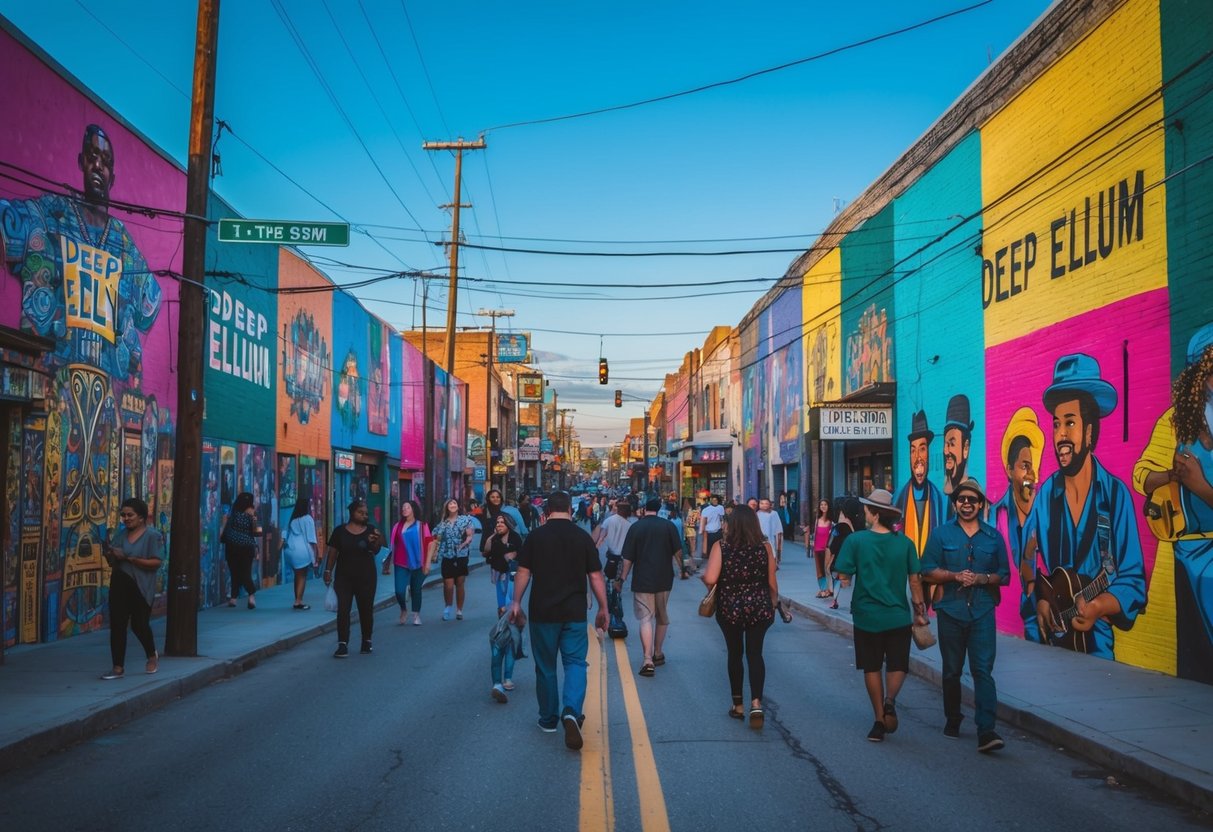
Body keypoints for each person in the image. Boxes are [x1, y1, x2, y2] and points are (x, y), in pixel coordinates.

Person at [1024, 353, 1146, 658]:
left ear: (1090, 431)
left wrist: (1098, 606)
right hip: (1049, 645)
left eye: (1070, 423)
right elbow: (1029, 559)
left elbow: (1132, 579)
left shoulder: (1115, 495)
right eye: (1056, 425)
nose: (1061, 435)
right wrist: (1040, 599)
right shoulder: (1045, 496)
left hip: (1097, 648)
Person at [1134, 324, 1213, 683]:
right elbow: (1140, 475)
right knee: (1197, 658)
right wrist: (1171, 475)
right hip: (1189, 554)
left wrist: (1199, 486)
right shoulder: (1175, 423)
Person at [510, 491, 609, 750]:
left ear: (546, 512)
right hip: (574, 613)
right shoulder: (582, 537)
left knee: (546, 667)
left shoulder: (536, 537)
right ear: (570, 510)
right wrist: (603, 607)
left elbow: (523, 572)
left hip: (542, 613)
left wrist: (516, 602)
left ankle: (548, 719)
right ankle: (571, 711)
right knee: (576, 663)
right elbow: (595, 576)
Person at [920, 478, 1010, 752]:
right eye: (962, 499)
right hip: (950, 610)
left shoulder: (993, 537)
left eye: (973, 499)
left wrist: (983, 579)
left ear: (980, 504)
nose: (967, 503)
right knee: (952, 670)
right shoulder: (941, 534)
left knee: (983, 670)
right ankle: (953, 718)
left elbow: (1004, 575)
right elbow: (926, 569)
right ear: (955, 504)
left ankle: (986, 730)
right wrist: (954, 576)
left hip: (983, 611)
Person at [833, 488, 928, 743]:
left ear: (874, 514)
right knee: (898, 664)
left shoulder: (856, 541)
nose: (864, 514)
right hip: (898, 615)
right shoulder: (906, 543)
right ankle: (890, 701)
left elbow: (843, 574)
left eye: (866, 510)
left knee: (872, 666)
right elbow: (915, 581)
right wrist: (920, 611)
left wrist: (847, 577)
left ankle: (878, 720)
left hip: (867, 616)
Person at [702, 504, 778, 728]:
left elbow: (710, 578)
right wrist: (774, 603)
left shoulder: (721, 546)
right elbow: (772, 582)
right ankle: (756, 703)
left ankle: (738, 705)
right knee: (755, 654)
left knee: (735, 654)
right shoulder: (765, 547)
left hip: (730, 608)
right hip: (759, 607)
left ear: (732, 524)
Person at [992, 407, 1044, 641]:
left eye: (1035, 466)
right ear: (1009, 470)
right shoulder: (995, 517)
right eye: (1025, 467)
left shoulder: (1046, 513)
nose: (1032, 475)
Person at [617, 499, 684, 676]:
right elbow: (678, 552)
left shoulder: (636, 528)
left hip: (642, 579)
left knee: (646, 618)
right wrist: (683, 570)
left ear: (644, 509)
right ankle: (658, 653)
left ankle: (647, 659)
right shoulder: (668, 526)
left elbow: (627, 558)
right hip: (664, 579)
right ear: (659, 509)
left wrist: (621, 578)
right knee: (662, 617)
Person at [100, 498, 163, 680]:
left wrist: (129, 557)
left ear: (141, 517)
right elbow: (113, 562)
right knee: (117, 625)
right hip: (120, 582)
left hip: (141, 586)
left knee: (139, 624)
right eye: (123, 515)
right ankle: (118, 667)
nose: (126, 518)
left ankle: (151, 654)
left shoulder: (152, 536)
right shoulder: (121, 536)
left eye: (130, 515)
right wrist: (110, 554)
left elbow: (156, 562)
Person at [323, 500, 383, 657]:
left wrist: (375, 541)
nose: (364, 516)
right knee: (343, 610)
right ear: (352, 513)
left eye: (366, 513)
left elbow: (376, 550)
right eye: (360, 513)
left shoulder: (371, 530)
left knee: (366, 609)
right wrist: (328, 570)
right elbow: (333, 552)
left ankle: (366, 641)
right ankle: (342, 644)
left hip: (366, 577)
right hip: (344, 577)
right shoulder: (339, 531)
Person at [892, 410, 946, 566]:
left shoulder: (941, 500)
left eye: (922, 449)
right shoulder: (898, 498)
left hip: (933, 572)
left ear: (929, 452)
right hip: (906, 571)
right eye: (913, 450)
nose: (917, 458)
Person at [483, 514, 524, 699]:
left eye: (502, 522)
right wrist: (493, 535)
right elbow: (485, 552)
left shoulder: (516, 540)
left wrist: (514, 555)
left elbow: (524, 561)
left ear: (509, 524)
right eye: (497, 522)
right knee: (501, 634)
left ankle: (506, 678)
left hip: (514, 586)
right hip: (501, 583)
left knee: (512, 635)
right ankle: (498, 682)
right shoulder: (495, 540)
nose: (499, 524)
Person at [385, 500, 432, 626]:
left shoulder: (422, 526)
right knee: (399, 591)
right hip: (400, 562)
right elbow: (392, 545)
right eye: (403, 507)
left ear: (413, 509)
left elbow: (429, 543)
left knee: (416, 589)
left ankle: (416, 614)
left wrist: (427, 563)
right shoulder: (397, 526)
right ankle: (403, 609)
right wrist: (388, 563)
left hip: (418, 562)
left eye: (408, 507)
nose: (404, 509)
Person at [433, 498, 476, 621]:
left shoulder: (465, 520)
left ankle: (459, 610)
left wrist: (463, 544)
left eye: (454, 503)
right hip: (447, 555)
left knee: (460, 583)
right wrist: (434, 552)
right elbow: (435, 537)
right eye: (450, 504)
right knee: (448, 584)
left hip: (461, 555)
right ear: (447, 507)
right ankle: (448, 607)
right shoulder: (443, 523)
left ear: (458, 506)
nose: (452, 505)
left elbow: (470, 536)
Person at [221, 492, 260, 609]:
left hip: (232, 546)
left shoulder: (233, 513)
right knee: (245, 572)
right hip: (247, 547)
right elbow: (255, 532)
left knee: (235, 572)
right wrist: (253, 518)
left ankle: (235, 598)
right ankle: (249, 596)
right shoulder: (250, 514)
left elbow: (225, 529)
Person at [283, 497, 320, 610]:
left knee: (297, 576)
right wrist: (316, 555)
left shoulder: (293, 519)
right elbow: (312, 539)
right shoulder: (308, 519)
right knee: (302, 576)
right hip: (302, 551)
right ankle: (298, 601)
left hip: (290, 550)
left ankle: (297, 599)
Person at [826, 498, 863, 610]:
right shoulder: (859, 526)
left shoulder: (839, 527)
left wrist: (829, 559)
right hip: (851, 557)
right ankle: (843, 601)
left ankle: (836, 600)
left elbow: (831, 544)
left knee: (838, 578)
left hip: (841, 557)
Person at [809, 499, 834, 598]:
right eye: (821, 505)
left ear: (828, 506)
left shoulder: (831, 522)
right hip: (817, 549)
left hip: (827, 549)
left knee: (827, 570)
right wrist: (811, 547)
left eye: (825, 504)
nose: (823, 506)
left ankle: (829, 590)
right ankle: (822, 589)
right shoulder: (817, 520)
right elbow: (814, 535)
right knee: (819, 571)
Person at [756, 498, 784, 567]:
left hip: (770, 536)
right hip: (759, 537)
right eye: (762, 503)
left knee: (771, 551)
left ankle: (773, 565)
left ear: (770, 505)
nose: (764, 505)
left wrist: (778, 536)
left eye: (766, 503)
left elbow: (778, 526)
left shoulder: (773, 513)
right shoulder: (757, 514)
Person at [699, 494, 725, 562]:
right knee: (710, 549)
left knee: (718, 548)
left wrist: (723, 528)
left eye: (716, 500)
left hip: (718, 531)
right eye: (713, 500)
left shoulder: (720, 508)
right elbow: (703, 521)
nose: (714, 501)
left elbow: (722, 518)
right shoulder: (706, 510)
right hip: (709, 532)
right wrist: (701, 530)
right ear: (710, 501)